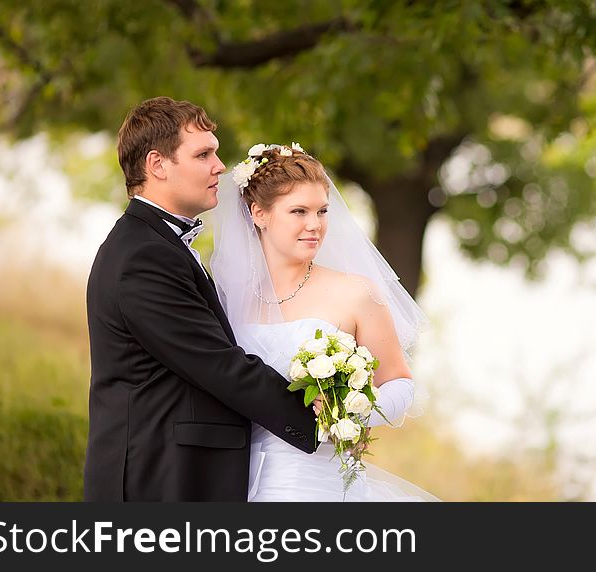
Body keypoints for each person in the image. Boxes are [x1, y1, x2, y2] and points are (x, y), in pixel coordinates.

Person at [83, 98, 319, 501]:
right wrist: (319, 418)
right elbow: (217, 363)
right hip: (155, 480)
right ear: (157, 165)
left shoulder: (154, 244)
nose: (220, 166)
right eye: (203, 154)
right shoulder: (143, 256)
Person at [210, 143, 439, 501]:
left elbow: (401, 384)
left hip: (321, 481)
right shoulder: (225, 300)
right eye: (298, 211)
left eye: (322, 211)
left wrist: (352, 412)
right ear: (259, 213)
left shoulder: (355, 293)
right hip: (239, 481)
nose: (314, 225)